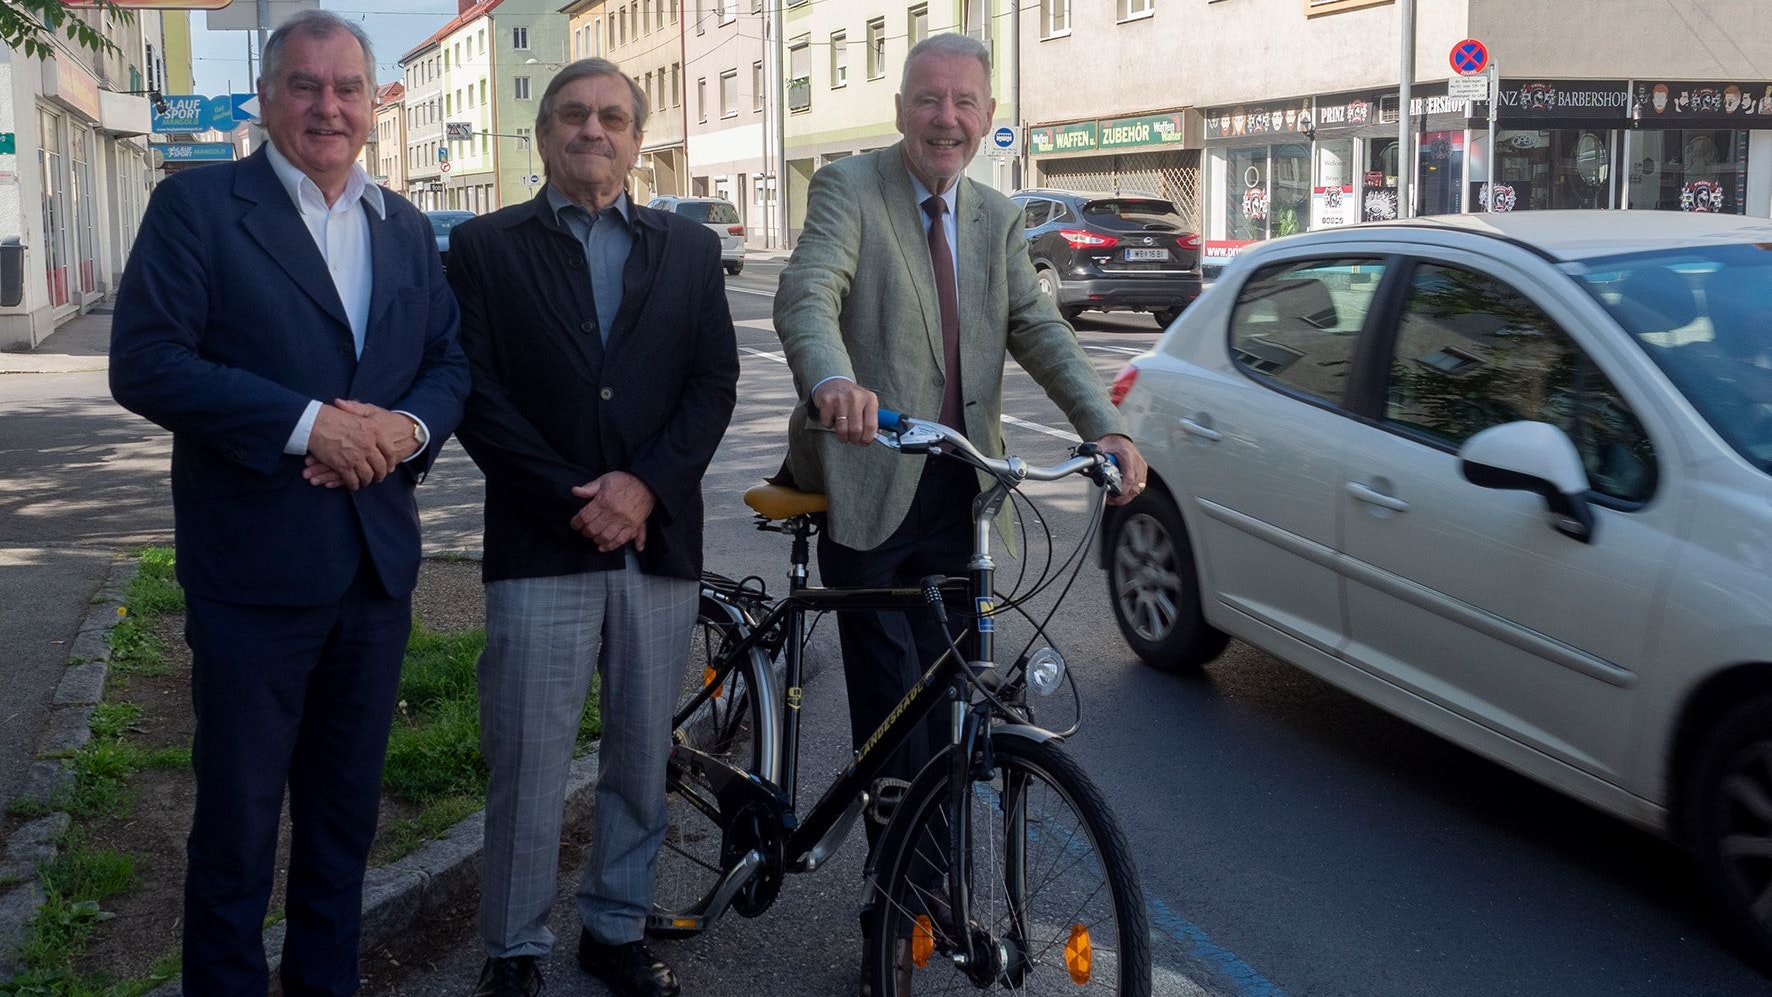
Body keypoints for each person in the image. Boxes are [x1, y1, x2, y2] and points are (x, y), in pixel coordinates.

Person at [772, 31, 1148, 993]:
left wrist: (1106, 428)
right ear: (902, 108)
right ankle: (890, 910)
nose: (948, 118)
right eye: (930, 100)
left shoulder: (992, 216)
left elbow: (1038, 329)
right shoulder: (848, 188)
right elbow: (809, 293)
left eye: (966, 102)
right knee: (895, 718)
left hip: (962, 490)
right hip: (870, 478)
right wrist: (833, 381)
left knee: (959, 711)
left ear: (988, 116)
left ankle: (931, 884)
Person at [108, 10, 468, 995]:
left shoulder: (399, 222)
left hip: (372, 573)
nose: (328, 106)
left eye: (347, 87)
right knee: (236, 826)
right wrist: (312, 424)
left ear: (370, 103)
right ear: (266, 98)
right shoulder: (197, 209)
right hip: (252, 575)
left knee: (343, 821)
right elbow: (145, 363)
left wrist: (403, 433)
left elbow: (447, 363)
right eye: (305, 86)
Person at [446, 58, 739, 997]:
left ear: (636, 138)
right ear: (542, 133)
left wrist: (644, 489)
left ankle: (614, 928)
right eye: (573, 115)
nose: (593, 130)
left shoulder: (687, 251)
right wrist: (581, 499)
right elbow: (475, 395)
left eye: (613, 116)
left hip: (657, 543)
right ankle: (514, 949)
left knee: (638, 753)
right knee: (529, 758)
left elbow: (712, 384)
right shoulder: (486, 248)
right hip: (541, 543)